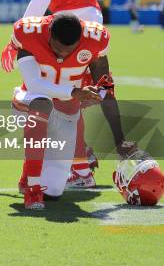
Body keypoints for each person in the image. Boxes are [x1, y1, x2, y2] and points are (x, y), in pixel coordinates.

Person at [0, 0, 103, 187]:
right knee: (70, 96)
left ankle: (66, 170)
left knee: (38, 96)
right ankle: (80, 163)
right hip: (88, 15)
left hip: (66, 21)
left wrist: (22, 31)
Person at [11, 13, 135, 209]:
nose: (62, 55)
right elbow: (34, 85)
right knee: (41, 104)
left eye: (69, 50)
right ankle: (32, 188)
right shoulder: (29, 32)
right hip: (29, 101)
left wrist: (119, 139)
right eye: (58, 49)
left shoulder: (95, 40)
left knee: (53, 191)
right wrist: (74, 91)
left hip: (66, 111)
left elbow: (105, 91)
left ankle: (32, 173)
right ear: (49, 34)